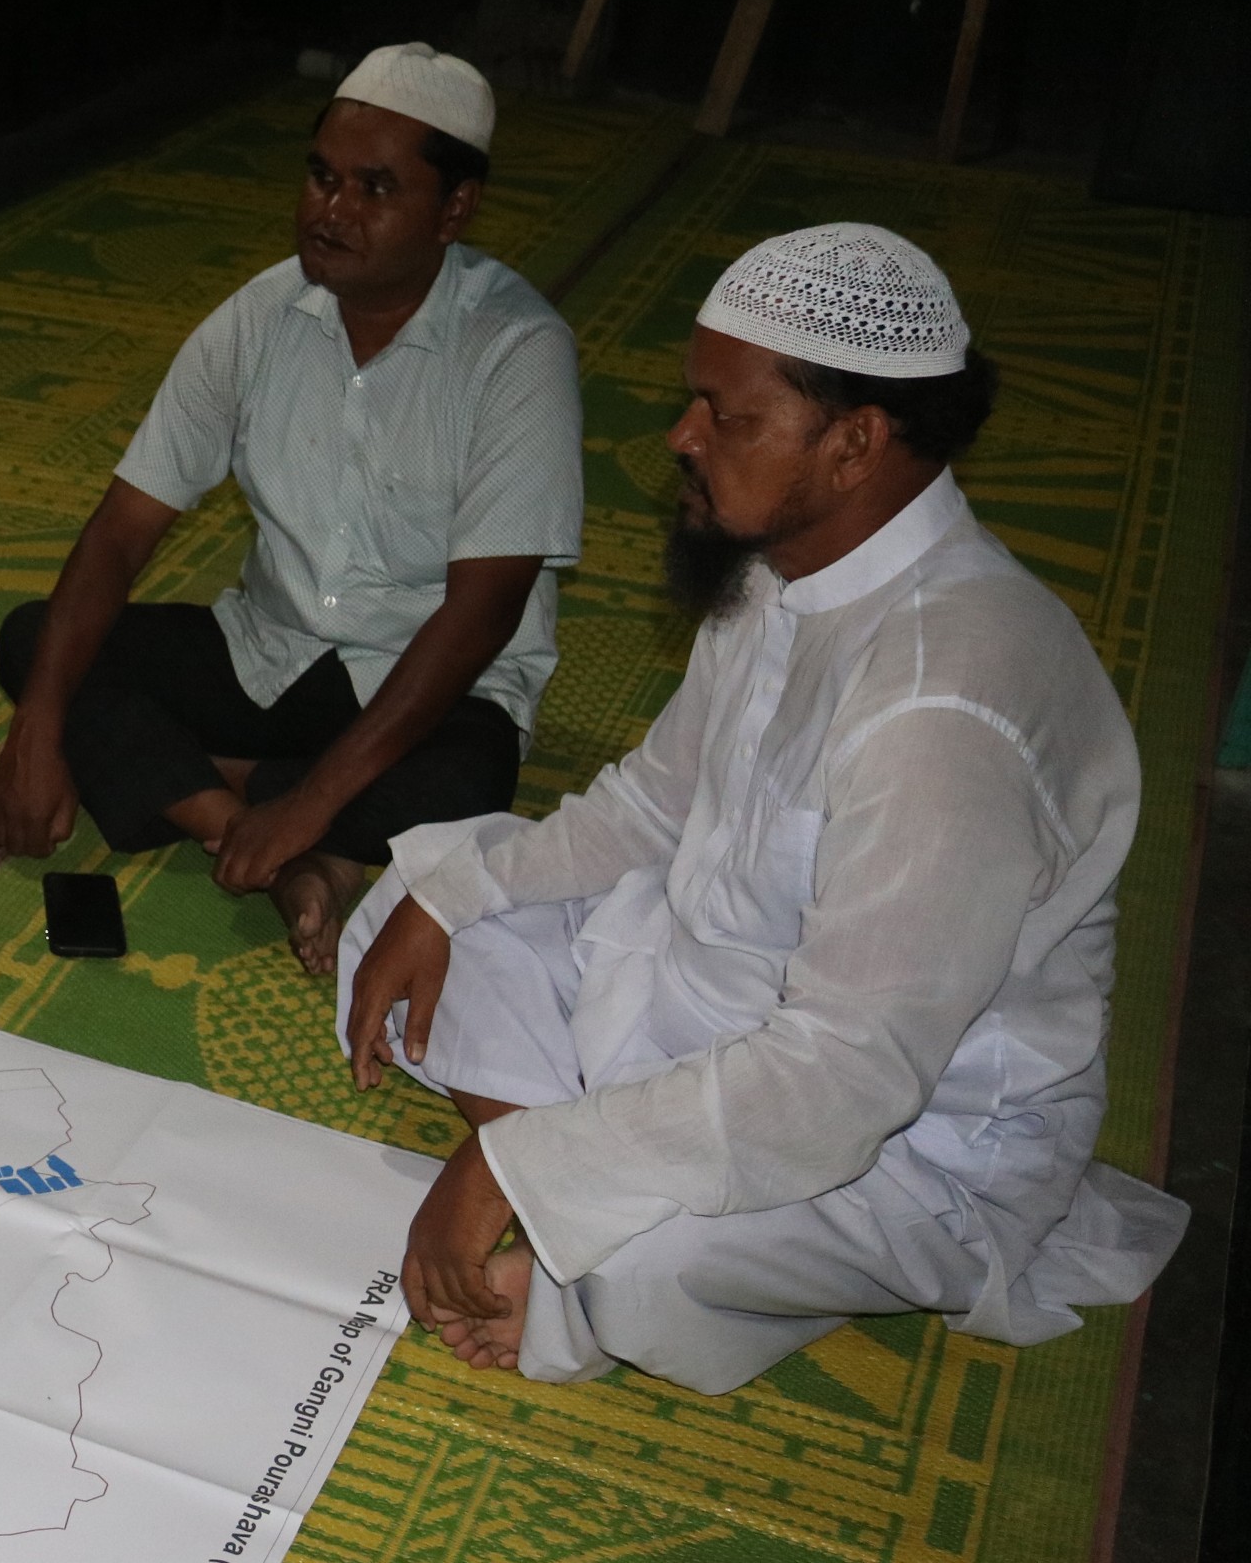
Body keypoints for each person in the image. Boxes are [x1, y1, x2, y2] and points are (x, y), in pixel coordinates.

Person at [339, 223, 1189, 1392]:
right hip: (706, 994)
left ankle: (583, 1216)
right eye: (694, 401)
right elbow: (656, 802)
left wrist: (507, 1166)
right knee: (415, 901)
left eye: (727, 417)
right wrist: (454, 901)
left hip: (900, 1133)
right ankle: (577, 1183)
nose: (681, 438)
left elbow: (844, 1079)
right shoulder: (776, 562)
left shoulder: (942, 704)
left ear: (854, 443)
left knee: (647, 1269)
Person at [0, 43, 583, 974]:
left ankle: (233, 800)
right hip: (269, 651)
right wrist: (36, 729)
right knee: (36, 643)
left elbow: (480, 617)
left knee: (471, 781)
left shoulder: (516, 350)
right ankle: (266, 837)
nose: (330, 211)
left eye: (375, 188)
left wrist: (308, 802)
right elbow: (121, 533)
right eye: (321, 177)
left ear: (454, 210)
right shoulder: (259, 316)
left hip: (427, 685)